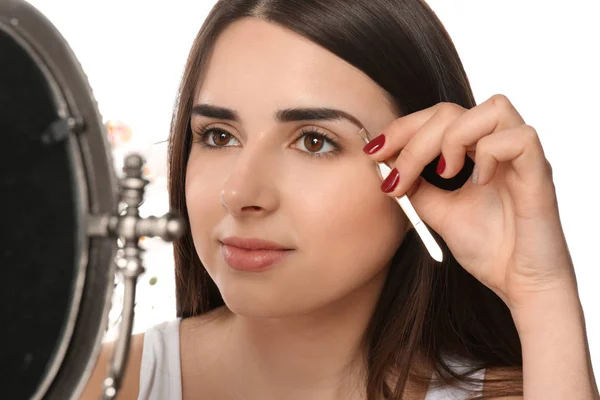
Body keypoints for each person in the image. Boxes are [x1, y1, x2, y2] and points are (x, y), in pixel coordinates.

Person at [82, 0, 599, 399]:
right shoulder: (92, 384)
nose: (239, 193)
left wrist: (540, 291)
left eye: (314, 141)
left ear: (426, 162)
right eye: (218, 136)